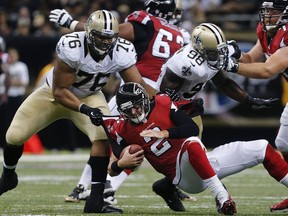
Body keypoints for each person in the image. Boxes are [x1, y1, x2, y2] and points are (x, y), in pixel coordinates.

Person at [0, 10, 156, 214]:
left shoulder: (122, 51)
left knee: (102, 136)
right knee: (14, 136)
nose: (106, 42)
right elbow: (59, 91)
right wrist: (85, 109)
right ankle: (9, 175)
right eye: (100, 36)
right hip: (52, 95)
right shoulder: (72, 46)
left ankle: (96, 200)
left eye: (110, 37)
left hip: (90, 94)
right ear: (89, 34)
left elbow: (138, 84)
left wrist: (166, 101)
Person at [49, 0, 194, 203]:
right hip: (156, 92)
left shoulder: (147, 22)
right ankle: (92, 186)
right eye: (174, 11)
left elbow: (107, 32)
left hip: (136, 90)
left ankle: (90, 186)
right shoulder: (181, 35)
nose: (176, 15)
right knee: (134, 140)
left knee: (115, 137)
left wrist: (71, 23)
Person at [102, 82, 288, 215]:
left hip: (201, 162)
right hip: (184, 177)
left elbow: (191, 127)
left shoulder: (163, 103)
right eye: (128, 110)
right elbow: (112, 168)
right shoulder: (122, 129)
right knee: (192, 143)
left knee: (262, 147)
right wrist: (120, 164)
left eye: (136, 107)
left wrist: (165, 133)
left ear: (144, 100)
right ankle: (222, 197)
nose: (134, 112)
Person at [225, 0, 288, 211]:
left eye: (273, 11)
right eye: (266, 10)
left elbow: (267, 70)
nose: (267, 15)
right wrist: (233, 53)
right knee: (284, 143)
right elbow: (252, 58)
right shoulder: (266, 30)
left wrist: (232, 66)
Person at [0, 36, 10, 149]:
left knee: (4, 120)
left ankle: (3, 143)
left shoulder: (4, 57)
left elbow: (7, 73)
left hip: (2, 90)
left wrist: (6, 93)